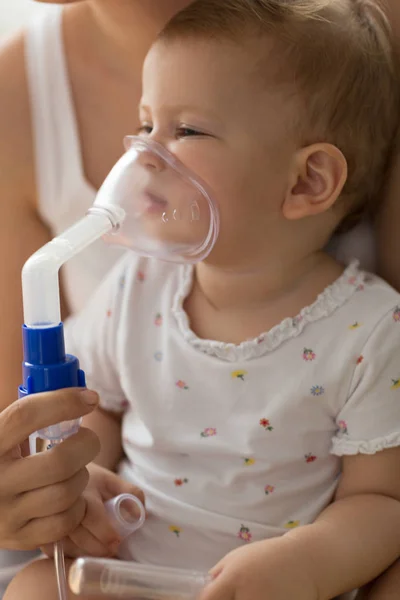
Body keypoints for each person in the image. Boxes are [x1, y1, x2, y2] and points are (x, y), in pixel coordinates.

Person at [5, 0, 400, 598]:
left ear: (306, 181)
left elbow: (382, 500)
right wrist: (80, 484)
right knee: (33, 588)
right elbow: (99, 407)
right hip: (124, 569)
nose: (144, 156)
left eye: (184, 130)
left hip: (272, 586)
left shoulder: (369, 332)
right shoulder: (137, 286)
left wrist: (307, 565)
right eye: (144, 126)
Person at [0, 0, 193, 594]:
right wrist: (49, 494)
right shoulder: (19, 92)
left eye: (187, 132)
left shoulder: (358, 44)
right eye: (145, 126)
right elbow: (43, 432)